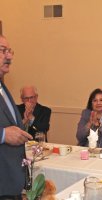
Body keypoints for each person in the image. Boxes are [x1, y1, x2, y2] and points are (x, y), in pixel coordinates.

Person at [0, 35, 32, 198]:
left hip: (10, 183)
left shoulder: (2, 87)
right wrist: (4, 135)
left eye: (10, 51)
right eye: (3, 50)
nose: (9, 56)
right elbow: (6, 133)